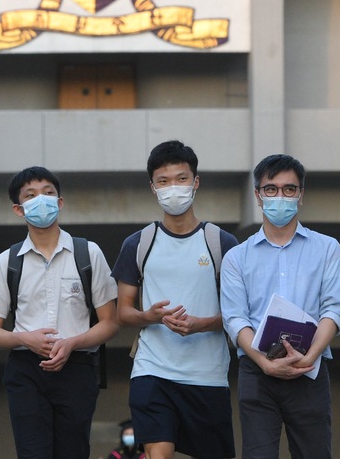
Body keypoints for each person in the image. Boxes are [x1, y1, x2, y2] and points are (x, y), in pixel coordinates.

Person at [0, 166, 119, 459]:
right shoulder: (7, 261)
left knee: (74, 451)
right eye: (31, 196)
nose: (41, 200)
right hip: (25, 370)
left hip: (78, 368)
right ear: (19, 209)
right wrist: (25, 339)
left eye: (48, 193)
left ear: (60, 202)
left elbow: (110, 322)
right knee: (32, 453)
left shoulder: (88, 253)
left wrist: (72, 343)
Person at [111, 141, 237, 459]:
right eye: (163, 181)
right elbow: (122, 312)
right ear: (153, 187)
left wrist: (201, 324)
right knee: (159, 454)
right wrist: (149, 316)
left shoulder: (222, 243)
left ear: (196, 182)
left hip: (207, 373)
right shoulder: (138, 243)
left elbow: (241, 312)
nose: (173, 189)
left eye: (181, 179)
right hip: (152, 369)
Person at [220, 154, 340, 459]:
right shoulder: (237, 258)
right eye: (271, 189)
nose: (280, 196)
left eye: (289, 189)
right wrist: (264, 362)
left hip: (311, 370)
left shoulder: (328, 249)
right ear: (257, 195)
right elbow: (235, 318)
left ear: (301, 195)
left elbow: (335, 308)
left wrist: (311, 356)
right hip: (257, 369)